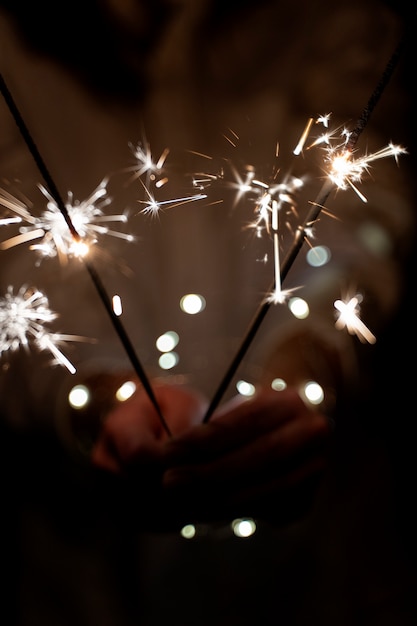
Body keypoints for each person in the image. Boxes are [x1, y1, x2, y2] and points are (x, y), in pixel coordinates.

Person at [0, 0, 416, 625]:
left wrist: (304, 362)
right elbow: (13, 249)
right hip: (79, 573)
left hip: (318, 575)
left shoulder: (337, 14)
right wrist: (97, 391)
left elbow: (361, 208)